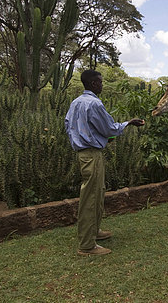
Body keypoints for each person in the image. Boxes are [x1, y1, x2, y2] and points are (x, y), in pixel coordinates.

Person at [65, 69, 145, 256]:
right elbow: (109, 128)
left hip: (85, 153)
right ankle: (86, 245)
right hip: (91, 155)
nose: (102, 85)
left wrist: (82, 140)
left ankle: (94, 232)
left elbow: (69, 126)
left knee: (97, 193)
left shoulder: (76, 102)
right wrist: (129, 123)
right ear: (93, 84)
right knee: (91, 198)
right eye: (100, 82)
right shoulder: (94, 103)